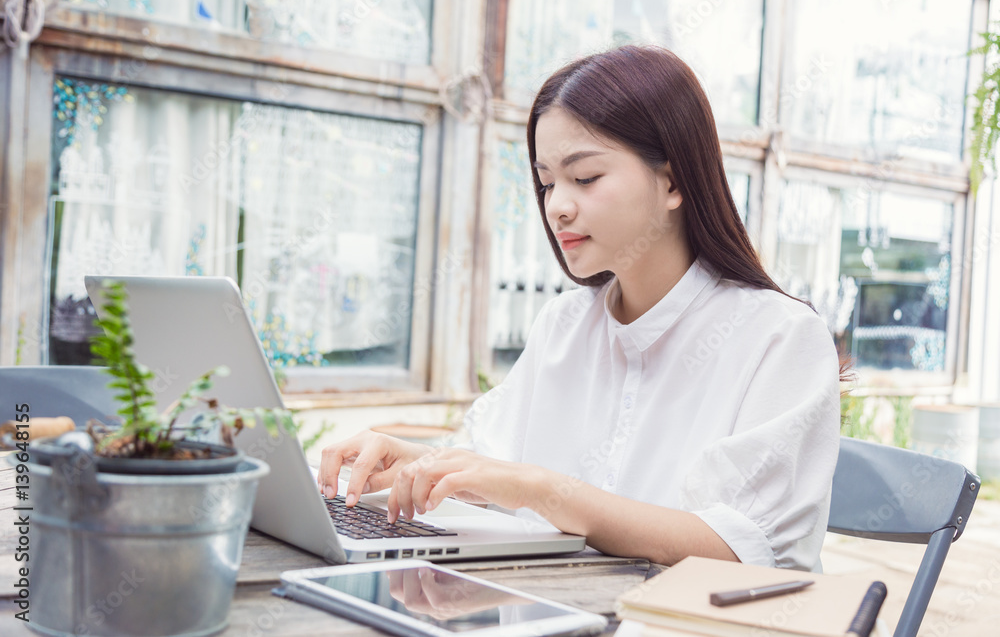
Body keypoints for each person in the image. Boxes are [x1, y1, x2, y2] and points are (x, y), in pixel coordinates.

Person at [318, 44, 843, 572]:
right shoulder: (563, 325)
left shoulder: (781, 338)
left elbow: (741, 548)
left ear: (674, 180)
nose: (557, 206)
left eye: (585, 177)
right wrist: (410, 461)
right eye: (547, 182)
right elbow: (492, 468)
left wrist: (545, 490)